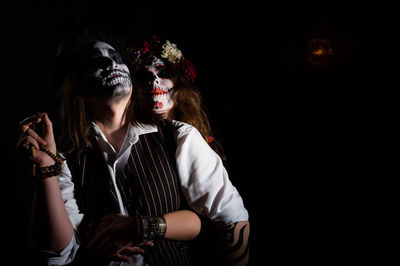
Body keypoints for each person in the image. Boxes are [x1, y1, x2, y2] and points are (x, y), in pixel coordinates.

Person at [17, 29, 249, 265]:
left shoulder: (178, 135)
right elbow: (59, 256)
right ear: (76, 85)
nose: (111, 62)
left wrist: (141, 226)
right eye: (96, 62)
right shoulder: (66, 158)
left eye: (117, 57)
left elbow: (231, 220)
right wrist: (46, 169)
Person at [127, 35, 228, 165]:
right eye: (145, 76)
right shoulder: (131, 140)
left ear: (179, 84)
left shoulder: (201, 137)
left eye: (163, 74)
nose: (154, 80)